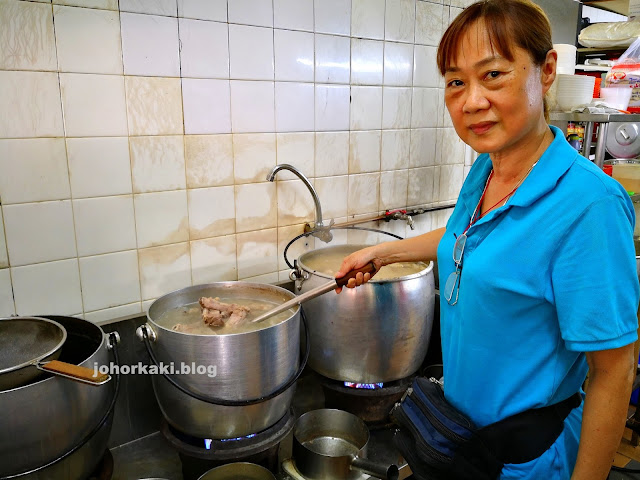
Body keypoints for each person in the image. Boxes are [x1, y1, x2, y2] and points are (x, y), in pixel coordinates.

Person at [335, 1, 640, 479]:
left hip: (528, 456)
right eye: (456, 82)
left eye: (493, 74)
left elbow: (614, 372)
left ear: (546, 71)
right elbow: (468, 238)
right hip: (463, 438)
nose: (471, 100)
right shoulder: (486, 167)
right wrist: (382, 253)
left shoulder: (589, 207)